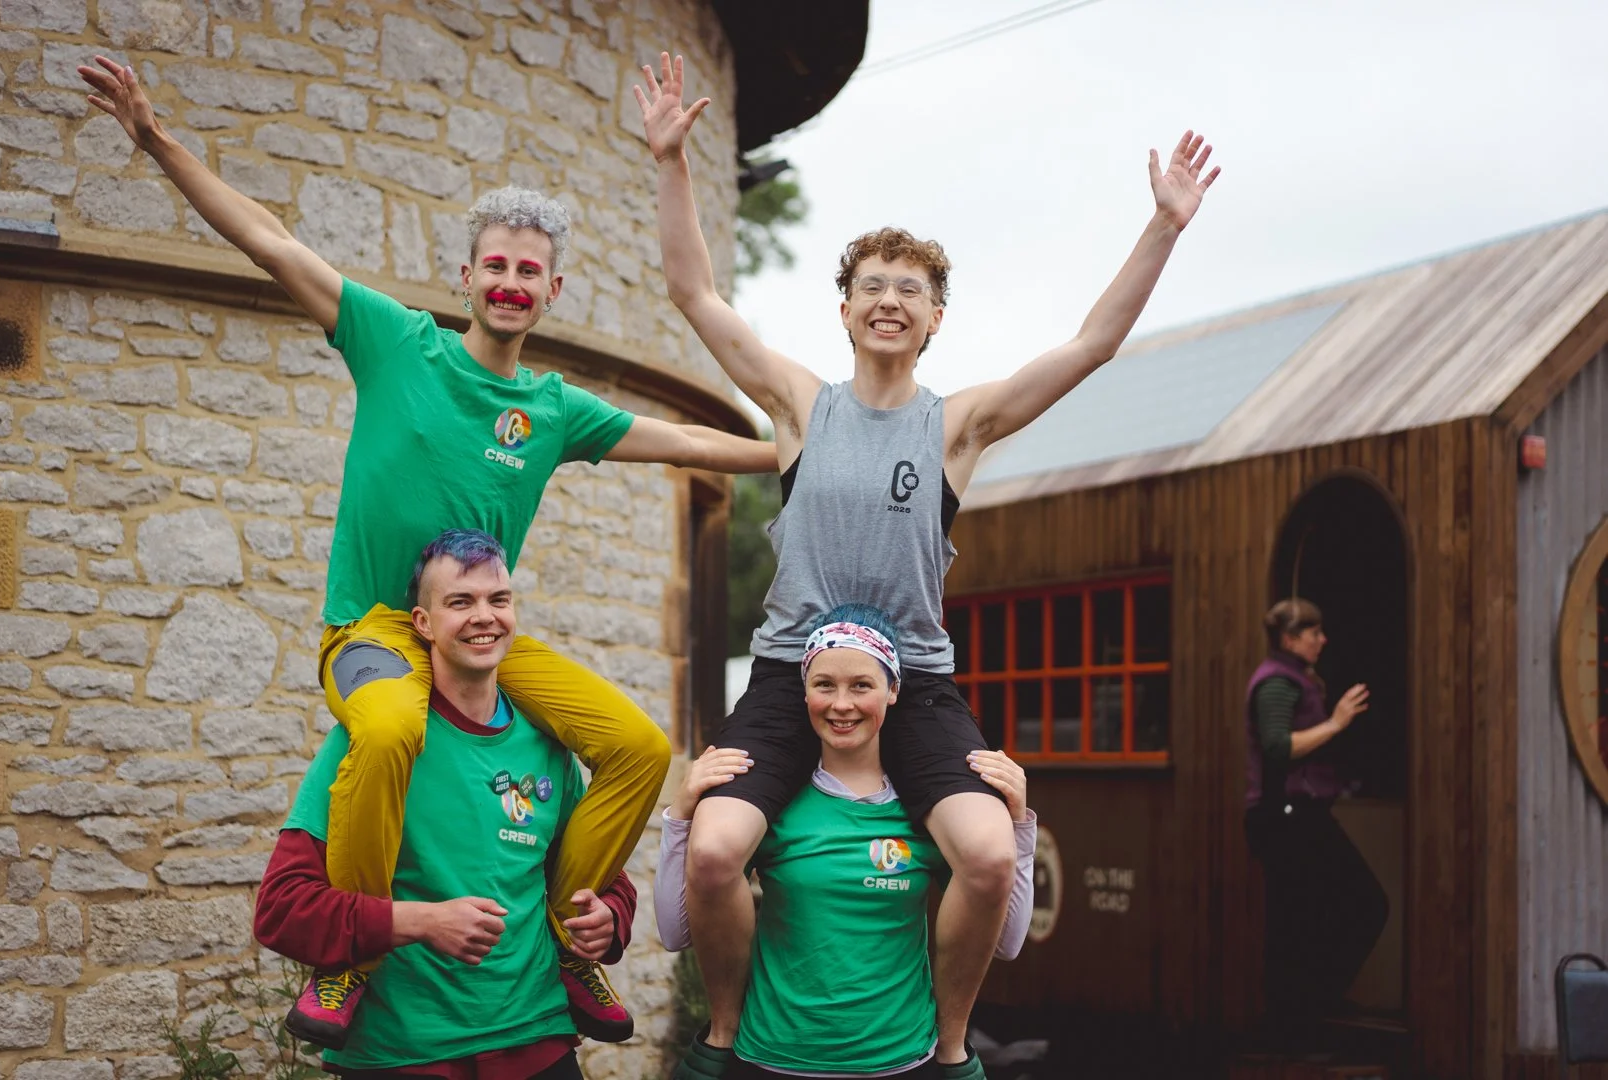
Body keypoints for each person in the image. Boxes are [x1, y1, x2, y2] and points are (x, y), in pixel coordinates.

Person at [78, 56, 776, 1047]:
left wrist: (803, 443)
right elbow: (270, 241)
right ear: (466, 276)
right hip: (371, 631)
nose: (510, 282)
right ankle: (349, 957)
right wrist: (155, 140)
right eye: (495, 265)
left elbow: (694, 443)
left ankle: (572, 939)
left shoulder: (552, 410)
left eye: (529, 271)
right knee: (393, 725)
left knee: (637, 745)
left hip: (476, 633)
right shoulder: (393, 341)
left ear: (551, 292)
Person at [635, 51, 1220, 1077]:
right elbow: (694, 292)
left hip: (915, 686)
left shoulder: (958, 429)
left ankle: (948, 1046)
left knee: (992, 855)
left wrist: (1163, 227)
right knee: (720, 849)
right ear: (848, 310)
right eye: (872, 287)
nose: (891, 301)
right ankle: (726, 1035)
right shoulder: (799, 406)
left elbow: (1089, 347)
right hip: (787, 677)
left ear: (936, 316)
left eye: (911, 289)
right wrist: (672, 161)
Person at [256, 529, 634, 1078]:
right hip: (402, 1054)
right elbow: (282, 908)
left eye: (498, 599)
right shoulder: (372, 740)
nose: (484, 616)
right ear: (423, 624)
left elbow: (600, 873)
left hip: (538, 1043)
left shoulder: (548, 743)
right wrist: (418, 921)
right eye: (460, 601)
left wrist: (610, 916)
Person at [657, 606, 1036, 1080]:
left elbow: (1007, 942)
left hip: (901, 1064)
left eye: (861, 685)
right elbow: (675, 932)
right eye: (824, 685)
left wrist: (1016, 826)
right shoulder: (770, 807)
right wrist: (681, 816)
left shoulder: (933, 814)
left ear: (893, 690)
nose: (841, 704)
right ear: (805, 692)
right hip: (771, 1061)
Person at [1244, 599, 1389, 1043]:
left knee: (1307, 915)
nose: (1322, 640)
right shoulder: (1276, 684)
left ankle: (1305, 1011)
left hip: (1298, 812)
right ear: (1290, 639)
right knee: (1363, 904)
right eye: (1314, 633)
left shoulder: (1296, 679)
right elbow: (1277, 747)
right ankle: (1301, 1014)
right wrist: (1337, 722)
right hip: (1287, 815)